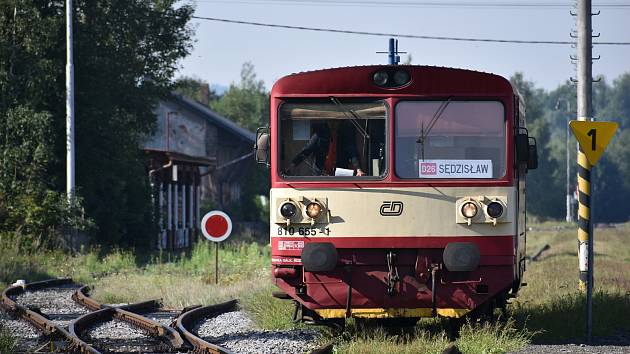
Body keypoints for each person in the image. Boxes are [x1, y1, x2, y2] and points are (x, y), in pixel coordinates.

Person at [285, 120, 365, 176]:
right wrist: (293, 165)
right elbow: (306, 150)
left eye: (336, 121)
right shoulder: (319, 135)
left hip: (340, 174)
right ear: (327, 121)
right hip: (320, 174)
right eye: (330, 121)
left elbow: (352, 152)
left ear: (340, 122)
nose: (333, 124)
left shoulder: (344, 135)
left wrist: (358, 169)